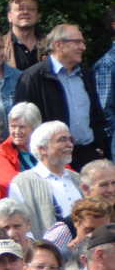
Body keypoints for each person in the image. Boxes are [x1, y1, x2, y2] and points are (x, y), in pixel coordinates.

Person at [13, 23, 105, 167]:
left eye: (83, 42)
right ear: (58, 45)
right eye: (77, 42)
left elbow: (97, 114)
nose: (83, 47)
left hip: (88, 155)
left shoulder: (85, 74)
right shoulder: (33, 77)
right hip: (52, 160)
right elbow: (22, 122)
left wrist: (99, 148)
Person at [0, 102, 41, 200]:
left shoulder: (46, 147)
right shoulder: (0, 153)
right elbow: (7, 184)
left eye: (22, 127)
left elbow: (62, 171)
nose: (17, 132)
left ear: (35, 128)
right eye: (13, 126)